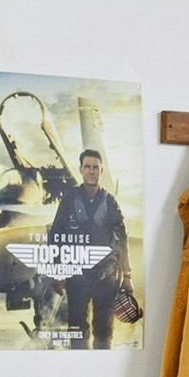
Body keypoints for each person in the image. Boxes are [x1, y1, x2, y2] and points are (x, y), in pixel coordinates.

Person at [46, 148, 130, 349]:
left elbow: (122, 240)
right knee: (77, 333)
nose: (91, 171)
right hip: (77, 278)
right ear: (81, 170)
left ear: (101, 171)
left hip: (106, 278)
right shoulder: (68, 202)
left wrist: (127, 276)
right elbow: (55, 238)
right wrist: (56, 272)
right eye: (87, 167)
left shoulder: (110, 203)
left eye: (95, 167)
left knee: (104, 336)